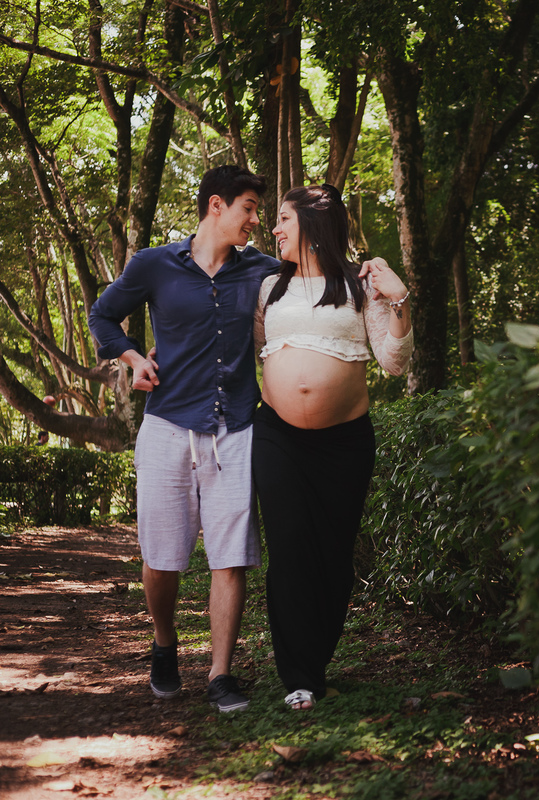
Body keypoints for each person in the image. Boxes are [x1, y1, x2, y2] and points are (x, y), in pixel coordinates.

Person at [88, 165, 278, 712]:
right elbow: (103, 315)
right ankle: (165, 641)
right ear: (215, 206)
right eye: (248, 207)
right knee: (162, 559)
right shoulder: (154, 264)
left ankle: (221, 674)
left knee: (231, 557)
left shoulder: (259, 271)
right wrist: (129, 357)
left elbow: (313, 269)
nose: (254, 221)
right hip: (168, 426)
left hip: (235, 428)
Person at [252, 183, 413, 710]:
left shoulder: (357, 285)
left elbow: (394, 361)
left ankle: (316, 659)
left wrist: (399, 299)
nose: (273, 228)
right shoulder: (268, 287)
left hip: (345, 442)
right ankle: (298, 675)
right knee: (290, 547)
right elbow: (252, 350)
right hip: (277, 435)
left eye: (282, 218)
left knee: (333, 554)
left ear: (313, 226)